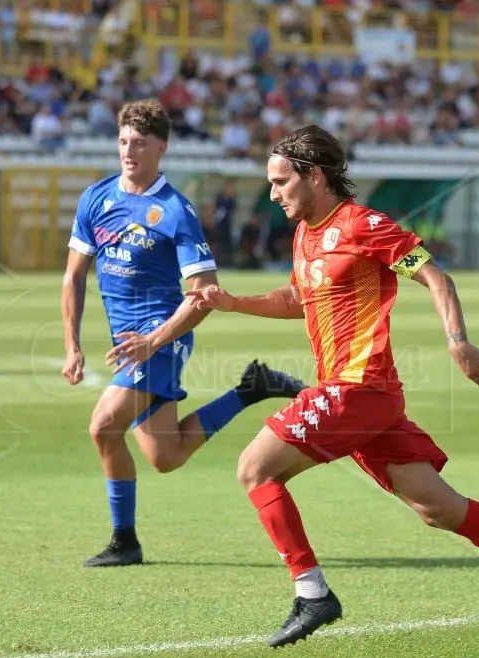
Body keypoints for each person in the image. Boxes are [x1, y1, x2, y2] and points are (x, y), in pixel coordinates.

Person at [186, 125, 479, 647]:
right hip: (362, 398)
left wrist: (458, 341)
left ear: (314, 176)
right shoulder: (306, 232)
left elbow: (436, 277)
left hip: (361, 388)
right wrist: (234, 302)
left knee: (254, 468)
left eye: (281, 181)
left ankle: (312, 593)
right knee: (437, 507)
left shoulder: (365, 225)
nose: (272, 194)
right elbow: (297, 298)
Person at [62, 99, 309, 568]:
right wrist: (72, 346)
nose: (128, 151)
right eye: (122, 142)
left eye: (139, 143)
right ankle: (250, 389)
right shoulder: (96, 198)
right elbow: (73, 276)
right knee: (165, 455)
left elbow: (204, 293)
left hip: (161, 339)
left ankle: (125, 542)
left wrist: (154, 340)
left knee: (102, 427)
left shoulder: (175, 210)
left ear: (162, 147)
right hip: (132, 344)